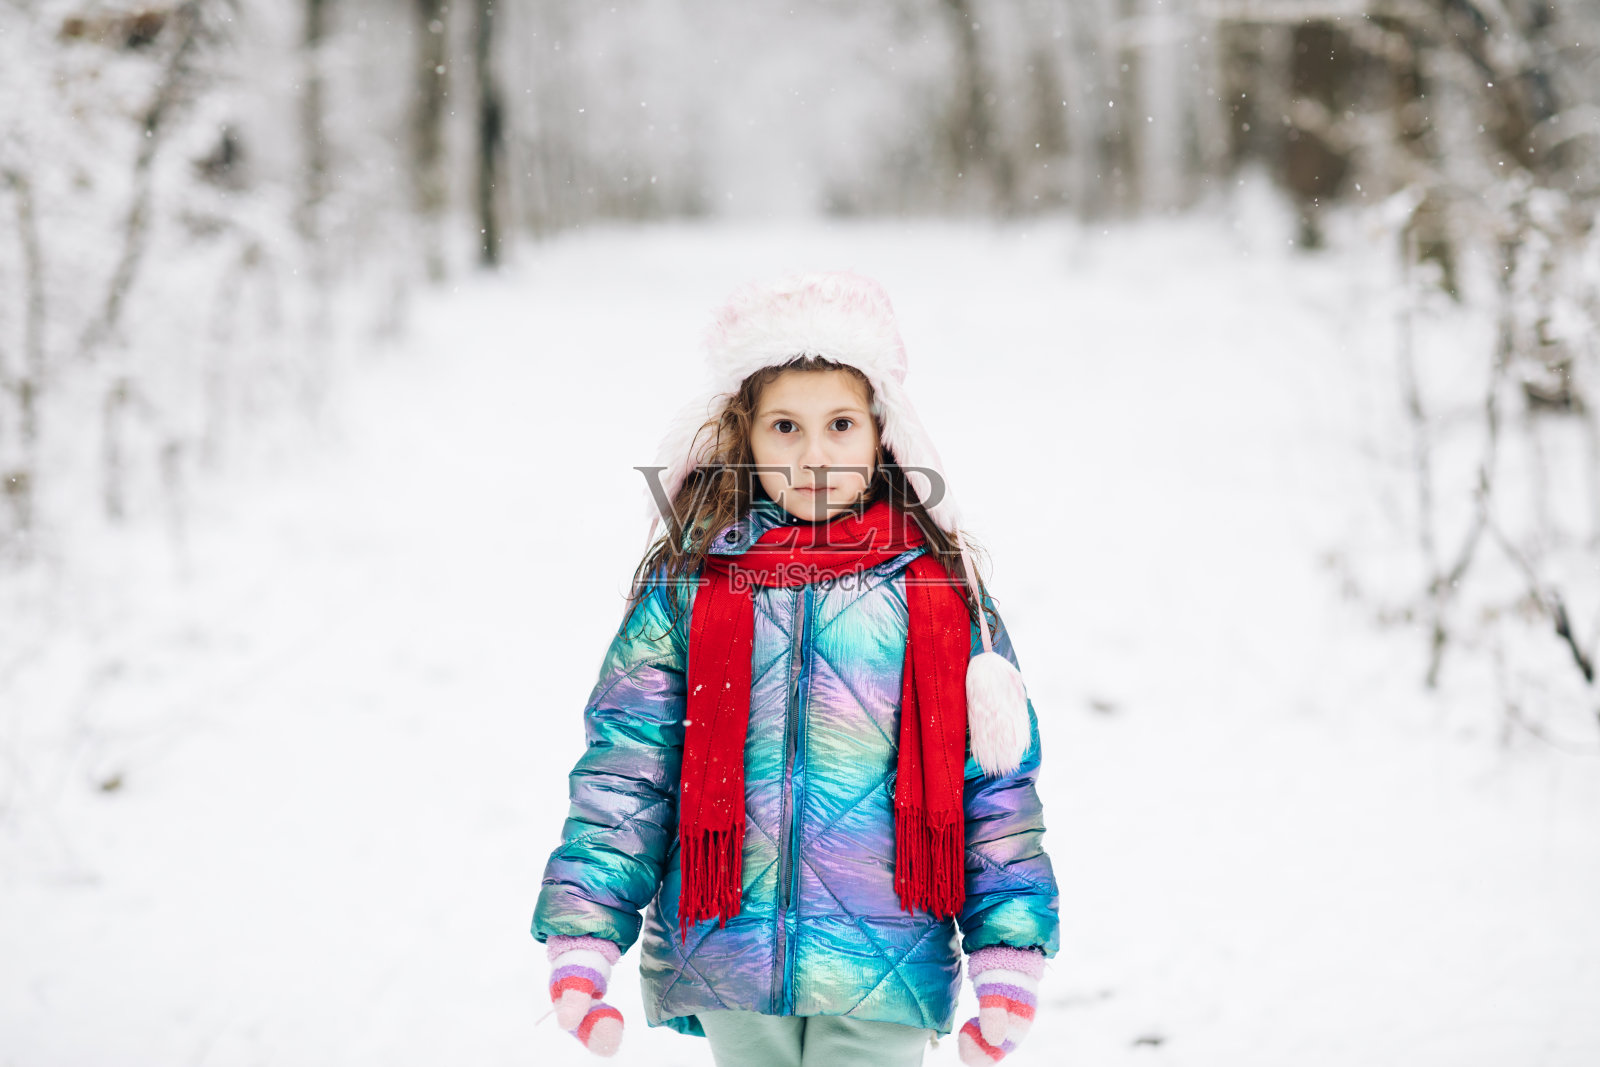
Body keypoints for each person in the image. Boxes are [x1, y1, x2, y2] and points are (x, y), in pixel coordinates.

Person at [532, 271, 1059, 1067]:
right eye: (785, 426)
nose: (814, 454)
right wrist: (584, 926)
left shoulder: (942, 595)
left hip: (887, 955)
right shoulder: (693, 582)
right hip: (730, 951)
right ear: (743, 434)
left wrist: (1009, 948)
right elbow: (628, 767)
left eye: (840, 423)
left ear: (883, 433)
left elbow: (996, 783)